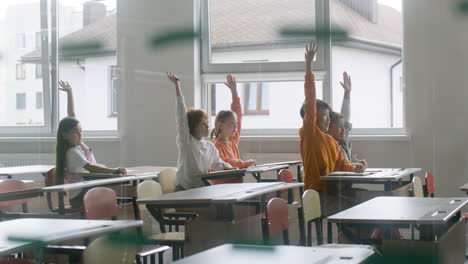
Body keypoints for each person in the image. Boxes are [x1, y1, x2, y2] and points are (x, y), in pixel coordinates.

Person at [299, 42, 365, 216]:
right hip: (318, 196)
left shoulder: (330, 140)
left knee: (366, 202)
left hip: (331, 192)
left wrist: (354, 168)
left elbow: (341, 164)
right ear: (312, 118)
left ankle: (359, 239)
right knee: (361, 207)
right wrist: (308, 67)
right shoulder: (310, 134)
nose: (328, 119)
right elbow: (310, 99)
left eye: (329, 116)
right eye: (323, 116)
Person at [167, 72, 232, 190]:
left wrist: (231, 168)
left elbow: (218, 164)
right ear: (193, 126)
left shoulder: (209, 146)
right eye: (203, 124)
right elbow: (181, 118)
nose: (207, 127)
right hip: (184, 188)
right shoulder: (186, 141)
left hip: (199, 188)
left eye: (207, 123)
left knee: (222, 204)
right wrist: (177, 86)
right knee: (214, 207)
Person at [210, 74, 255, 184]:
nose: (236, 127)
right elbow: (225, 162)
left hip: (235, 184)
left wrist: (234, 91)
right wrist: (244, 163)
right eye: (231, 124)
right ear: (220, 125)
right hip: (222, 188)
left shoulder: (232, 140)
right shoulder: (214, 145)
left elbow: (238, 114)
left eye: (236, 124)